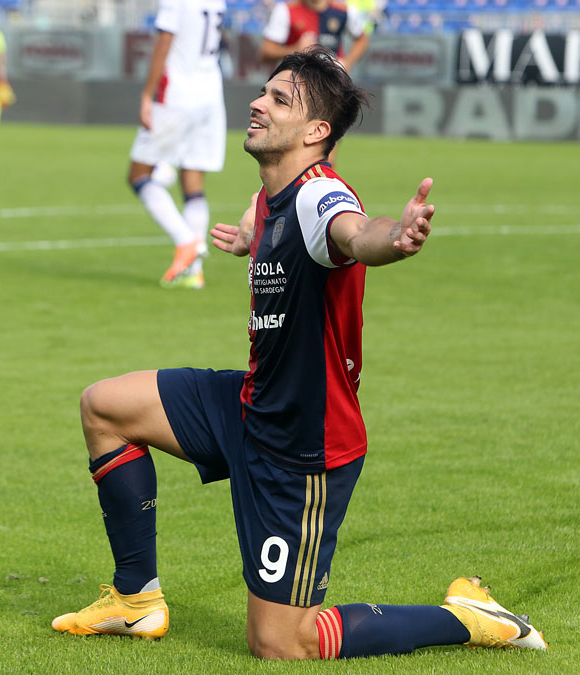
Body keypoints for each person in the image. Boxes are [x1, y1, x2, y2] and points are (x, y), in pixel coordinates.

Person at [51, 46, 548, 659]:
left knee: (283, 643)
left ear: (317, 132)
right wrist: (249, 242)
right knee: (104, 407)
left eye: (280, 99)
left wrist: (394, 237)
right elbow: (278, 225)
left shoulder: (318, 197)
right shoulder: (269, 200)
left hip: (301, 447)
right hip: (248, 405)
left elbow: (353, 231)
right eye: (264, 92)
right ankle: (135, 600)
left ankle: (468, 617)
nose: (258, 102)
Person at [128, 0, 226, 289]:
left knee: (138, 174)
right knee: (193, 182)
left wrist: (147, 95)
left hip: (178, 93)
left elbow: (164, 42)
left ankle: (186, 242)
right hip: (210, 93)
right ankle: (193, 272)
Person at [259, 0, 369, 167]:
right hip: (294, 92)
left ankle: (321, 189)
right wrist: (295, 48)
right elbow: (266, 51)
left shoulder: (344, 10)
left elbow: (361, 38)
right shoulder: (286, 11)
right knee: (287, 151)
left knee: (325, 153)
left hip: (330, 91)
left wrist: (347, 63)